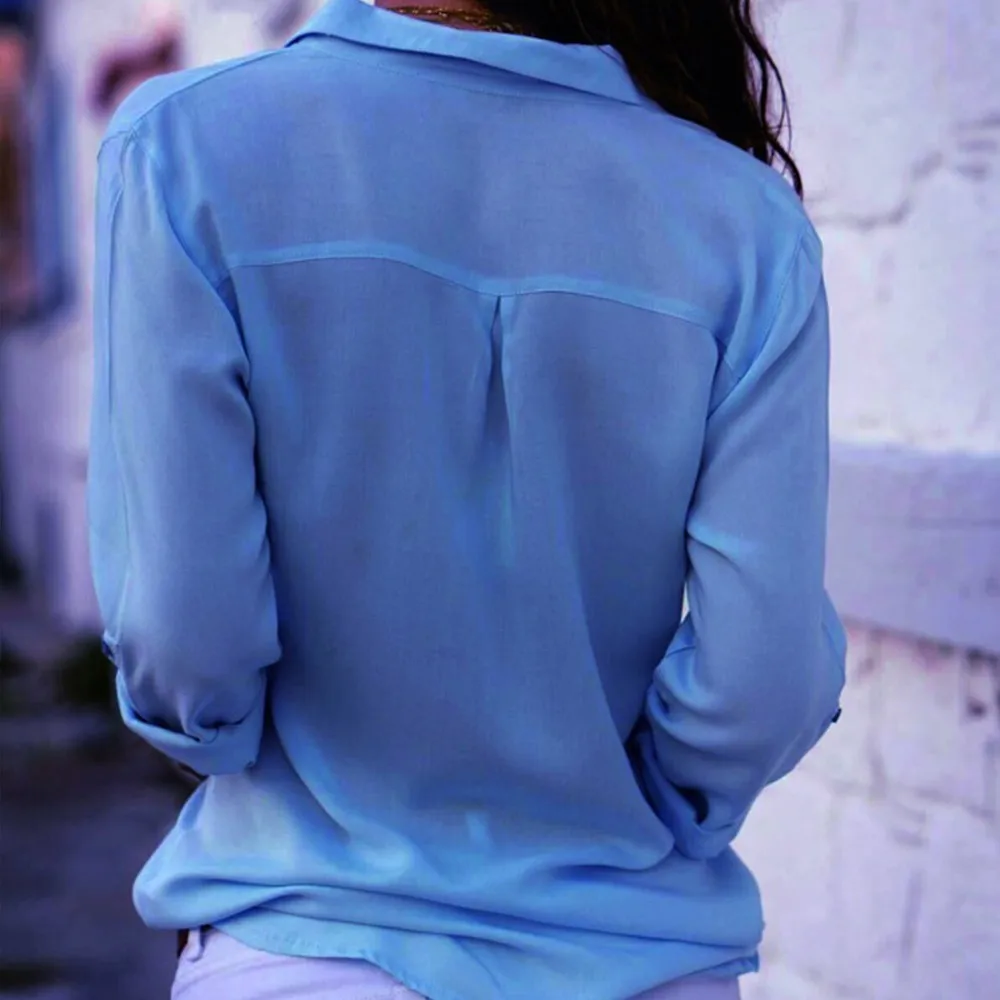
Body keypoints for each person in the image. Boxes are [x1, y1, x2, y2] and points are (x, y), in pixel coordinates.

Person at [86, 0, 847, 997]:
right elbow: (761, 679)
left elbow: (182, 628)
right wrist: (637, 813)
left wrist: (221, 740)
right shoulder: (745, 221)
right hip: (637, 955)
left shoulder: (183, 148)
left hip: (306, 936)